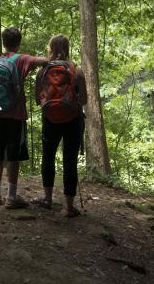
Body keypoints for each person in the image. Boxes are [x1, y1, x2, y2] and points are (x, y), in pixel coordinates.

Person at [0, 26, 47, 209]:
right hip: (16, 115)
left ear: (3, 42)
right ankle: (11, 196)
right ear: (18, 42)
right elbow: (44, 61)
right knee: (14, 154)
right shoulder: (22, 59)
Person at [33, 34, 87, 217]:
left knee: (48, 157)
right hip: (72, 119)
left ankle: (47, 199)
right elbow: (84, 99)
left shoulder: (43, 71)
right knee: (69, 160)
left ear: (50, 48)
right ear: (68, 48)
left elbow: (36, 98)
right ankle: (69, 207)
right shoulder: (76, 70)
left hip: (50, 119)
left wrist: (49, 104)